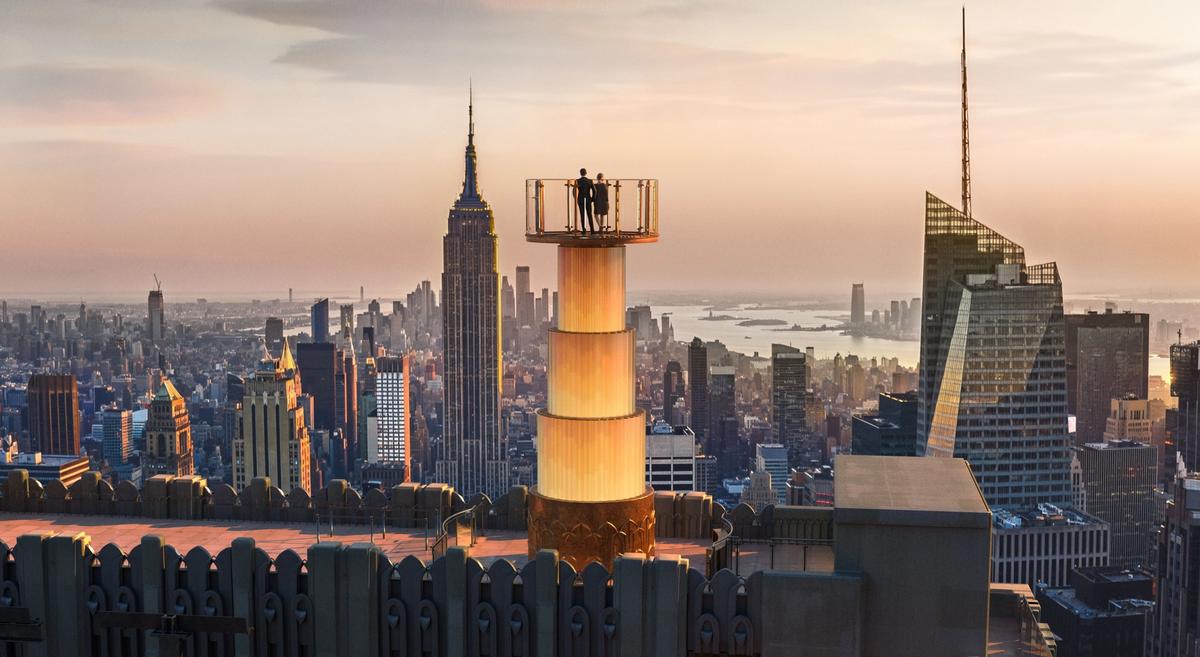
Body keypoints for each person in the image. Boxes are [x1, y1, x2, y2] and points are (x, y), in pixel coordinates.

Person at [575, 168, 595, 234]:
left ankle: (584, 230)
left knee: (582, 215)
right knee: (589, 215)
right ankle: (592, 230)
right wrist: (592, 199)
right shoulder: (590, 181)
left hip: (580, 199)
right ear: (586, 173)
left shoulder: (577, 181)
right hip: (588, 199)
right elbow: (595, 191)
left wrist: (576, 198)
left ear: (580, 173)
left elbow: (574, 191)